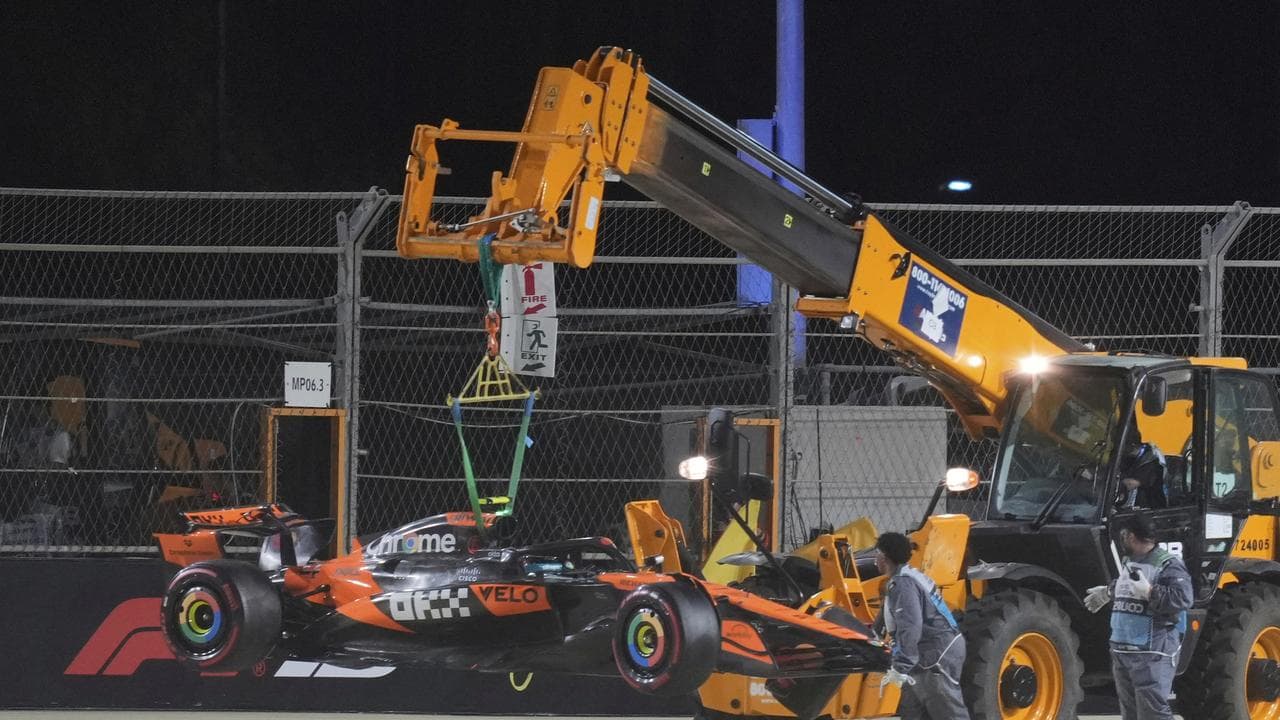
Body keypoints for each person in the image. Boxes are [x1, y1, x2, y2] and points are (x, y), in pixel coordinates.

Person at [1084, 512, 1192, 720]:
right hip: (1124, 650)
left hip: (1151, 653)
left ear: (1130, 536)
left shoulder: (1168, 564)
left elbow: (1183, 598)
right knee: (1131, 715)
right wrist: (1108, 591)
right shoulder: (1131, 561)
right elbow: (1130, 587)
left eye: (1124, 535)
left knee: (1153, 714)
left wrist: (1151, 592)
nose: (1122, 539)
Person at [872, 532, 969, 720]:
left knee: (947, 710)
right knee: (911, 709)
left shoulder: (904, 584)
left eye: (877, 553)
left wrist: (902, 665)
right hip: (926, 654)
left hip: (936, 655)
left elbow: (911, 626)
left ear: (885, 557)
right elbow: (885, 618)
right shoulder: (902, 578)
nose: (875, 558)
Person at [1118, 442, 1168, 509]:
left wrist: (1115, 482)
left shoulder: (1152, 459)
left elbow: (1132, 483)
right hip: (1133, 506)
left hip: (1150, 508)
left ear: (1132, 444)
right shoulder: (1131, 458)